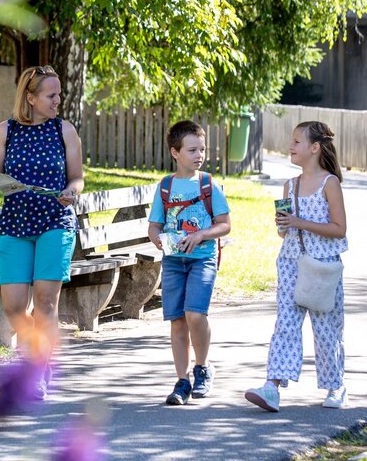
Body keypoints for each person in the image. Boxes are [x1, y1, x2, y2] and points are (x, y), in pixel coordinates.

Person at [0, 65, 84, 400]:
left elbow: (77, 177)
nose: (58, 100)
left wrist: (72, 192)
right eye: (51, 95)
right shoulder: (5, 131)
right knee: (14, 307)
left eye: (59, 94)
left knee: (46, 302)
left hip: (55, 222)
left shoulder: (64, 130)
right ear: (31, 98)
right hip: (15, 225)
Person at [245, 120, 349, 412]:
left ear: (315, 148)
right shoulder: (289, 185)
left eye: (296, 142)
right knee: (286, 324)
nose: (290, 147)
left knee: (327, 327)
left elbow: (339, 229)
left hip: (322, 266)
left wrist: (300, 222)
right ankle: (272, 387)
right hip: (291, 261)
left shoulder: (331, 184)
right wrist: (283, 224)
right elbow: (283, 231)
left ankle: (335, 386)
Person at [147, 120, 232, 405]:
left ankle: (203, 368)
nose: (199, 155)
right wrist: (159, 240)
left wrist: (201, 235)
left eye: (202, 149)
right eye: (192, 150)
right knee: (177, 321)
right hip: (173, 262)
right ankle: (182, 381)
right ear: (175, 152)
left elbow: (225, 225)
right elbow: (154, 227)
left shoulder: (209, 185)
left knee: (196, 314)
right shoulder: (166, 186)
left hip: (202, 260)